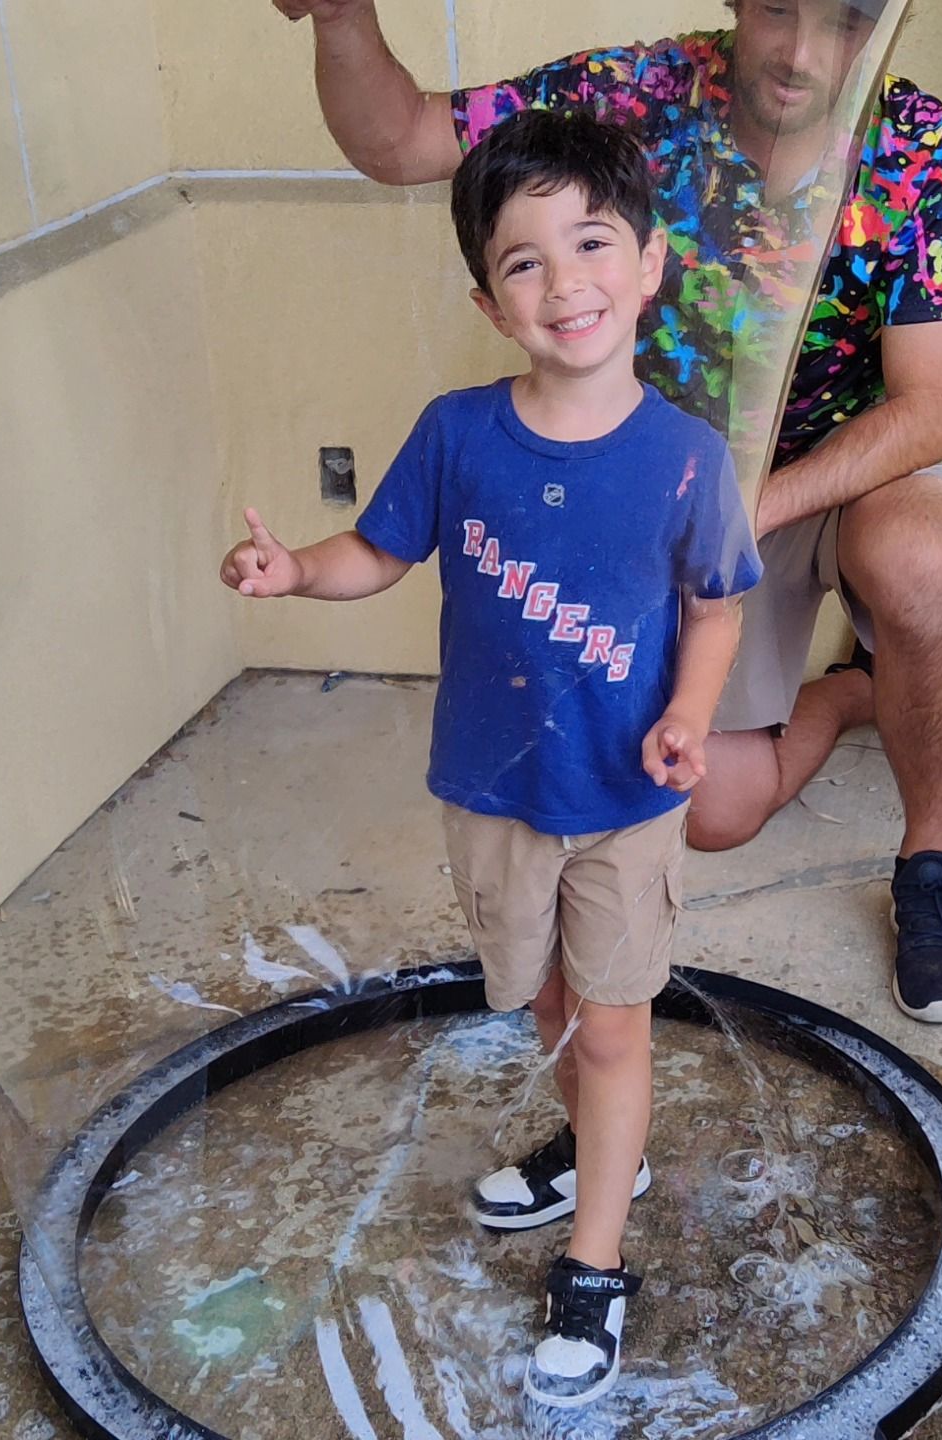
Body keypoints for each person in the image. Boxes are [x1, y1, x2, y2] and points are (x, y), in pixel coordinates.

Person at [268, 0, 942, 1024]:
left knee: (920, 564)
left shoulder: (921, 141)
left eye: (839, 17)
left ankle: (930, 861)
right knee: (722, 811)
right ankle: (847, 695)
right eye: (776, 9)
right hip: (679, 491)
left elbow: (928, 412)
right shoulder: (639, 95)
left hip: (835, 477)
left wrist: (758, 502)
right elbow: (401, 141)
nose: (797, 49)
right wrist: (340, 19)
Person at [220, 111, 761, 1407]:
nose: (564, 280)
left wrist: (691, 709)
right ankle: (598, 1150)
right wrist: (298, 570)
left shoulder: (687, 459)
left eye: (591, 242)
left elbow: (718, 603)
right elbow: (381, 551)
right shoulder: (458, 435)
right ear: (487, 296)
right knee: (545, 1004)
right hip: (495, 789)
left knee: (618, 1025)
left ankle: (596, 1260)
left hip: (626, 799)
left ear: (649, 265)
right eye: (524, 260)